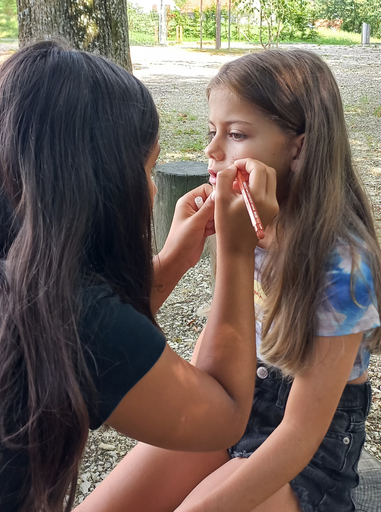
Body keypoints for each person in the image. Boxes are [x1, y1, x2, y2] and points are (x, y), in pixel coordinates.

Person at [76, 49, 381, 512]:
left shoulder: (343, 266)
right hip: (238, 403)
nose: (212, 151)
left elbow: (299, 435)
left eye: (236, 134)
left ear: (299, 145)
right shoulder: (247, 224)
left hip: (308, 453)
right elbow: (209, 371)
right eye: (211, 131)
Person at [0, 41, 279, 512]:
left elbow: (71, 336)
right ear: (98, 184)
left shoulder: (30, 281)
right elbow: (228, 412)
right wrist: (235, 252)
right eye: (148, 169)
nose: (151, 188)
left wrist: (171, 261)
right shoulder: (74, 313)